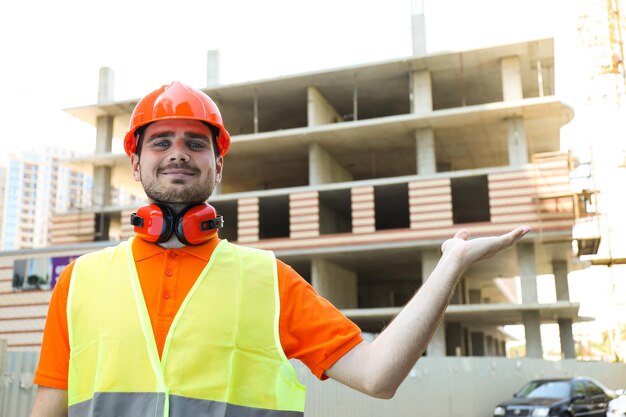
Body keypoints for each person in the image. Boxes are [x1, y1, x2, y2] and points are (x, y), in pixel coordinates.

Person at [29, 81, 530, 417]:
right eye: (160, 142)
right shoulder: (79, 282)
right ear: (135, 165)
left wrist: (451, 264)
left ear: (217, 166)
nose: (178, 151)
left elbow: (378, 376)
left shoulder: (268, 280)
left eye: (196, 143)